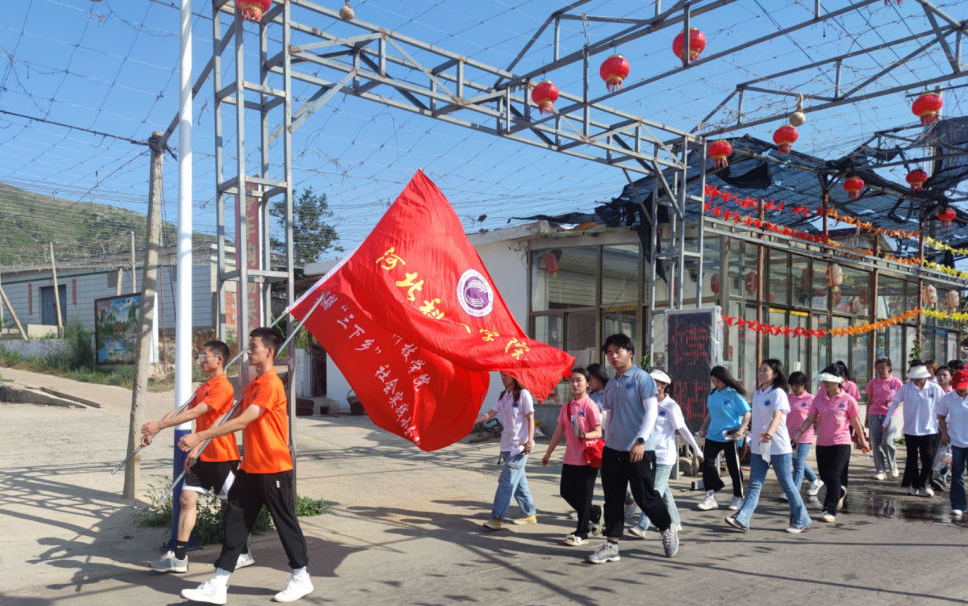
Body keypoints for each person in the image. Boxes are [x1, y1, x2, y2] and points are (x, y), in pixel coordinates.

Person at [178, 327, 313, 605]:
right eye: (249, 347)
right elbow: (228, 417)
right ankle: (218, 583)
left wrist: (199, 436)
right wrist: (198, 447)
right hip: (250, 469)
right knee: (234, 522)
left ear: (270, 352)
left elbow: (242, 422)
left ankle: (301, 576)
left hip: (273, 467)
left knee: (284, 522)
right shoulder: (252, 385)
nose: (248, 352)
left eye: (253, 347)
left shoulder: (272, 384)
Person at [140, 340, 254, 574]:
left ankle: (242, 551)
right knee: (186, 500)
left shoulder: (223, 387)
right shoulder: (205, 386)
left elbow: (198, 413)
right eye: (200, 356)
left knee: (232, 505)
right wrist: (156, 429)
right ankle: (179, 556)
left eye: (205, 356)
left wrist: (160, 425)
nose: (201, 360)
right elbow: (182, 409)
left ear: (219, 360)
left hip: (221, 455)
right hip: (201, 457)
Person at [586, 333, 679, 564]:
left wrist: (641, 441)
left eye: (618, 351)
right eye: (609, 353)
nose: (613, 356)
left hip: (640, 449)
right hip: (613, 449)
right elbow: (608, 415)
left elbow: (651, 412)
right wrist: (604, 439)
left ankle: (667, 528)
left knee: (645, 497)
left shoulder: (642, 378)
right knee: (613, 497)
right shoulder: (611, 385)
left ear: (630, 352)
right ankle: (612, 544)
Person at [725, 360, 811, 533]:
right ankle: (743, 519)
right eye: (759, 370)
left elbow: (777, 416)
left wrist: (769, 436)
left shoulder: (778, 393)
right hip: (759, 446)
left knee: (787, 483)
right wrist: (743, 432)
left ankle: (802, 519)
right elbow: (757, 420)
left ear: (775, 374)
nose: (761, 373)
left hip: (778, 446)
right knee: (755, 483)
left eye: (765, 370)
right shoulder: (758, 394)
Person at [628, 369, 702, 538]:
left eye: (656, 382)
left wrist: (696, 448)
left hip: (664, 456)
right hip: (649, 454)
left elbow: (682, 429)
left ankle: (642, 525)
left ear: (664, 386)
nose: (652, 385)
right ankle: (675, 521)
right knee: (663, 490)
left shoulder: (670, 406)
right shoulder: (646, 403)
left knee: (654, 492)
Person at [792, 371, 869, 523]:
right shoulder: (818, 399)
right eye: (823, 382)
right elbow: (810, 418)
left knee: (834, 475)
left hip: (841, 442)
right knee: (825, 475)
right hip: (822, 442)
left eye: (828, 382)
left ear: (837, 382)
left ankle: (829, 509)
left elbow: (855, 422)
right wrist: (799, 433)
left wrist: (863, 440)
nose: (825, 384)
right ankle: (840, 491)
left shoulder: (848, 400)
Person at [540, 368, 603, 545]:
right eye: (572, 380)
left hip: (587, 458)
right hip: (570, 457)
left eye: (579, 380)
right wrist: (548, 453)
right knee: (565, 491)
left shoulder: (590, 405)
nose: (574, 384)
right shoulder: (567, 407)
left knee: (584, 496)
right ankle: (592, 512)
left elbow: (598, 432)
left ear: (588, 383)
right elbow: (558, 432)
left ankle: (581, 533)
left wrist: (584, 435)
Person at [476, 372, 537, 530]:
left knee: (506, 482)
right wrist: (471, 420)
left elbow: (530, 418)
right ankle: (530, 514)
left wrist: (529, 441)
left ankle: (496, 518)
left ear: (515, 376)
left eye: (507, 375)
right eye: (502, 375)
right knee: (518, 484)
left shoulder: (523, 394)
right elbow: (490, 414)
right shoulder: (504, 395)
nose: (503, 378)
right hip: (506, 446)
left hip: (519, 447)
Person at [885, 363, 945, 496]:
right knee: (912, 459)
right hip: (910, 430)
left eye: (920, 377)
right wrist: (886, 421)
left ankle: (924, 482)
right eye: (915, 378)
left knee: (928, 458)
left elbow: (945, 405)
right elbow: (894, 403)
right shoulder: (906, 388)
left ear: (926, 377)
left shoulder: (934, 388)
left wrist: (948, 424)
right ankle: (914, 484)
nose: (917, 380)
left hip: (929, 430)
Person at [696, 366, 751, 512]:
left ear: (725, 380)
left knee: (733, 467)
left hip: (730, 436)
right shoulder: (712, 394)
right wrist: (703, 428)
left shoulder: (734, 395)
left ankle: (738, 496)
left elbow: (747, 414)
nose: (716, 384)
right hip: (713, 435)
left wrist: (741, 431)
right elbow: (710, 413)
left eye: (718, 381)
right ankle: (710, 495)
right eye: (713, 381)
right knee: (707, 464)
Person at [865, 357, 904, 481]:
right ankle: (880, 470)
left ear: (889, 368)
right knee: (876, 443)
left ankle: (893, 465)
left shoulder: (896, 382)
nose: (881, 370)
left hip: (891, 414)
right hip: (874, 413)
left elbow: (902, 399)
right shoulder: (873, 382)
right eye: (878, 368)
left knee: (887, 441)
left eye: (884, 367)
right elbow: (869, 401)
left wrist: (894, 404)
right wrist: (866, 417)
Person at [937, 369, 968, 516]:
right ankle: (959, 504)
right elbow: (941, 417)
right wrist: (944, 433)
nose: (961, 389)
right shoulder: (947, 398)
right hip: (955, 442)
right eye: (959, 386)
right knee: (957, 474)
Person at [786, 371, 822, 498]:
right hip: (789, 435)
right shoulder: (788, 397)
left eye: (797, 385)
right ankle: (814, 480)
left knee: (799, 463)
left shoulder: (811, 399)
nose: (794, 388)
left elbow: (816, 418)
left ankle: (793, 491)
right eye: (792, 385)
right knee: (795, 461)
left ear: (804, 385)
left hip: (804, 436)